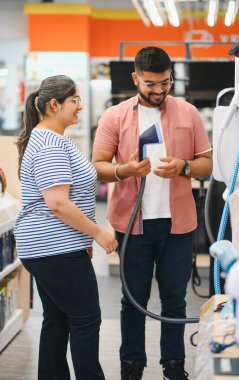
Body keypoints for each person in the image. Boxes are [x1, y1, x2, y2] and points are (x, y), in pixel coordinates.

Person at [92, 46, 212, 380]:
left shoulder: (189, 113)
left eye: (164, 82)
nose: (158, 90)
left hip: (178, 225)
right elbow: (98, 166)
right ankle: (132, 365)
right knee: (133, 300)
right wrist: (125, 170)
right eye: (150, 84)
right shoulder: (114, 116)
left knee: (175, 299)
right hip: (133, 226)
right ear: (135, 78)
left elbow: (207, 163)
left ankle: (173, 365)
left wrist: (185, 166)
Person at [14, 75, 118, 380]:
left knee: (57, 321)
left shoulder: (52, 139)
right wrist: (98, 233)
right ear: (54, 104)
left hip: (52, 248)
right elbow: (58, 203)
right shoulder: (48, 144)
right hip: (54, 250)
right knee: (86, 320)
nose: (79, 107)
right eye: (74, 100)